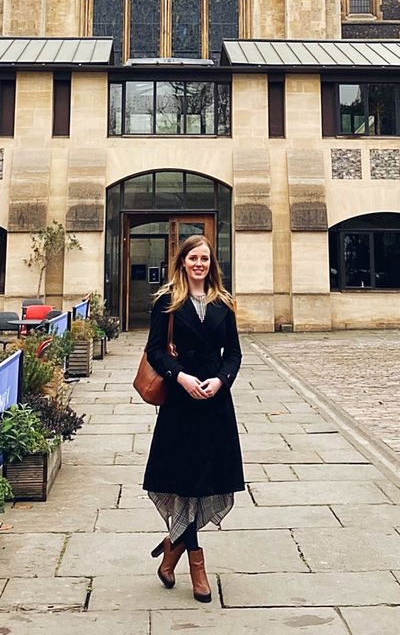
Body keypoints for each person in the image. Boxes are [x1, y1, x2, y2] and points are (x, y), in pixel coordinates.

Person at [142, 233, 244, 604]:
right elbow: (154, 351)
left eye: (205, 258)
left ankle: (171, 550)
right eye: (193, 258)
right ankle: (197, 567)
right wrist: (181, 376)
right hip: (181, 404)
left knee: (206, 483)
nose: (199, 264)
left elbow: (233, 354)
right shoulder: (167, 302)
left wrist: (221, 380)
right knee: (187, 484)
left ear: (211, 263)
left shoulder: (224, 302)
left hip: (215, 403)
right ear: (182, 261)